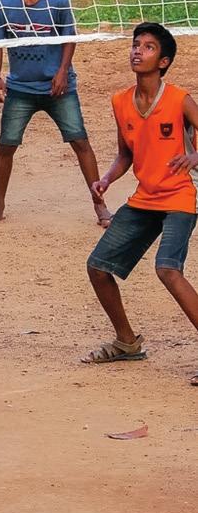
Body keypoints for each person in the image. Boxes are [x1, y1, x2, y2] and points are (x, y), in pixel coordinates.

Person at [83, 23, 198, 380]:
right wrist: (106, 178)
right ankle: (127, 343)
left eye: (147, 47)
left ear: (163, 62)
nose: (137, 51)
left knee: (167, 268)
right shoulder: (120, 101)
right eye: (135, 45)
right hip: (144, 198)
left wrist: (195, 157)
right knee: (98, 268)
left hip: (180, 195)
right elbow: (125, 155)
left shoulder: (180, 99)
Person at [0, 0, 112, 228]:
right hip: (20, 88)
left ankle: (100, 207)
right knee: (6, 146)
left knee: (80, 142)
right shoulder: (3, 2)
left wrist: (62, 71)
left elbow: (69, 39)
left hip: (57, 87)